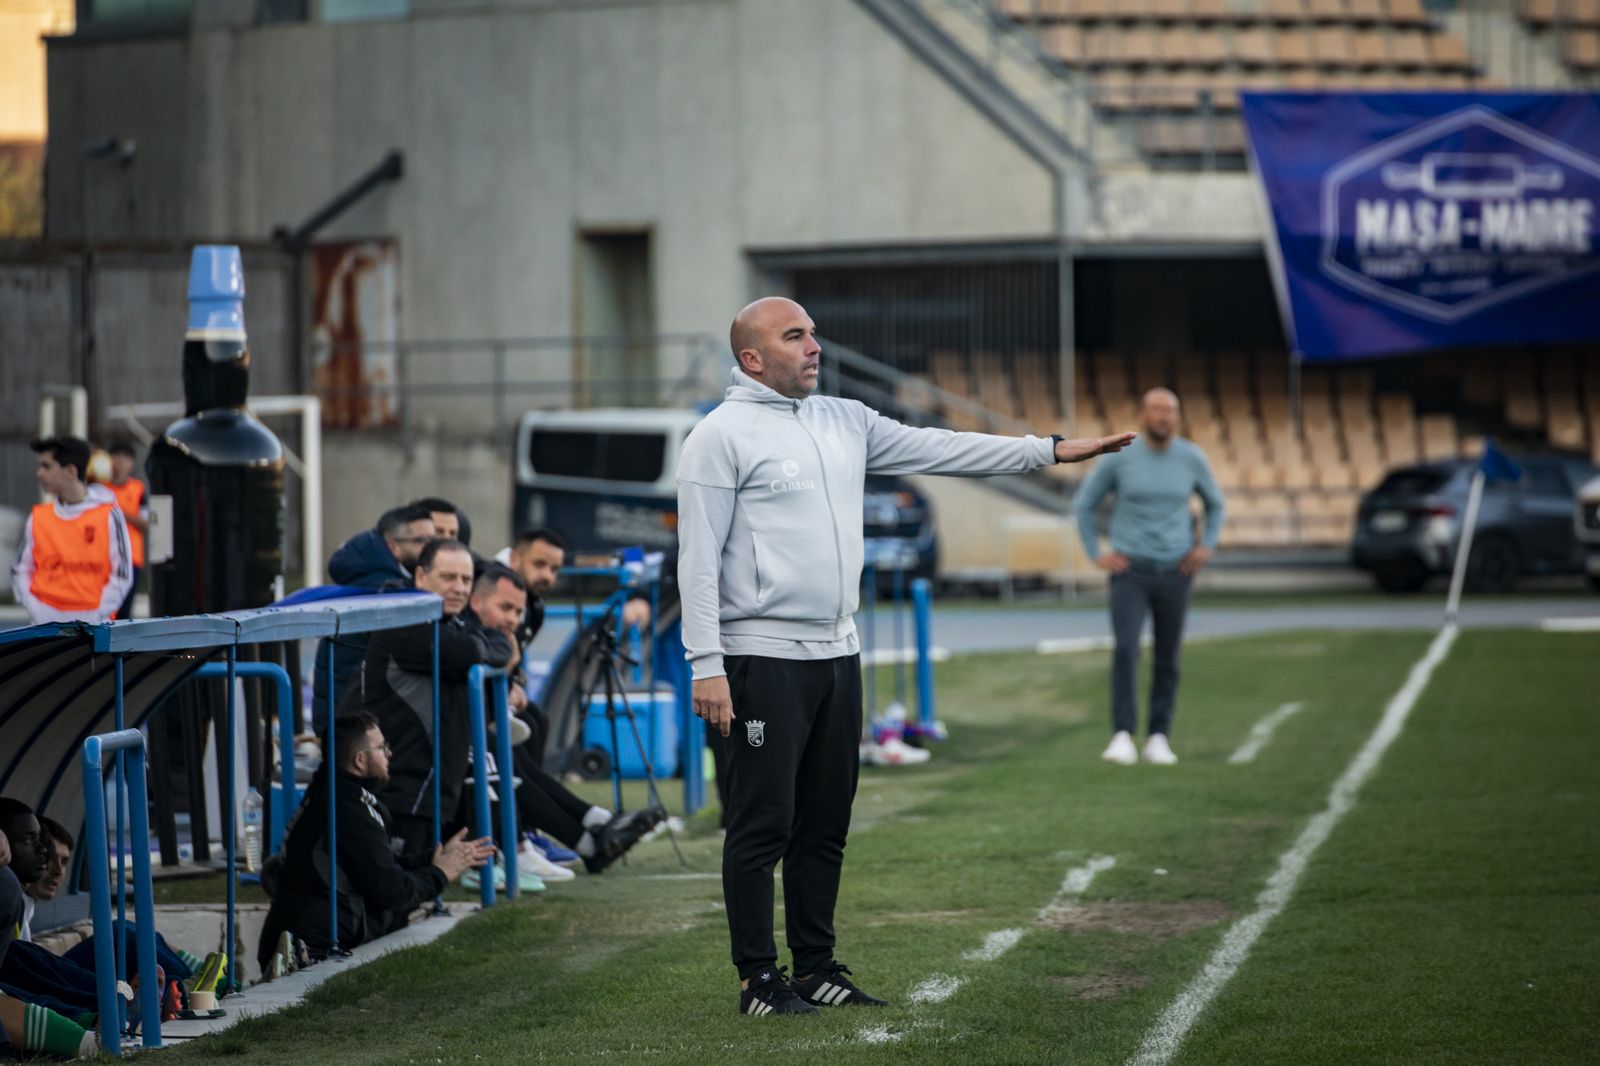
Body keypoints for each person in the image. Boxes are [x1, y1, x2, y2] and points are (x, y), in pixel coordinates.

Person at [677, 296, 1135, 1017]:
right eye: (794, 336)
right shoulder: (718, 436)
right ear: (752, 359)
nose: (814, 345)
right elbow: (697, 561)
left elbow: (942, 447)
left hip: (838, 651)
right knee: (762, 824)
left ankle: (816, 966)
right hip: (757, 657)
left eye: (814, 332)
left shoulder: (844, 420)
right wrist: (706, 662)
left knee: (826, 822)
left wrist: (1044, 449)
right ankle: (757, 980)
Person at [463, 564, 664, 880]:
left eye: (555, 568)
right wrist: (508, 664)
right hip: (440, 742)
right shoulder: (462, 619)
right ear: (475, 600)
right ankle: (556, 838)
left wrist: (510, 674)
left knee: (528, 729)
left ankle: (588, 831)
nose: (512, 619)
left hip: (466, 730)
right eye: (540, 564)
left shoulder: (526, 610)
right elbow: (488, 660)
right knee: (496, 749)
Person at [257, 712, 494, 971]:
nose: (389, 754)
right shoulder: (348, 808)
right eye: (382, 747)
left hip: (298, 932)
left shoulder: (331, 794)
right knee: (394, 911)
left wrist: (432, 859)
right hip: (313, 947)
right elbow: (392, 891)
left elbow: (381, 864)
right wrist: (441, 873)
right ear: (360, 760)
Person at [1072, 387, 1225, 767]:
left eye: (1170, 410)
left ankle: (1158, 736)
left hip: (1175, 570)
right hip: (1130, 572)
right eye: (1157, 410)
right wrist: (1096, 553)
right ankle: (1122, 735)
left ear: (1177, 416)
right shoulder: (1120, 459)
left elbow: (1215, 503)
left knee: (1168, 656)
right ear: (1142, 414)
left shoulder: (1191, 457)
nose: (1163, 417)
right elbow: (1084, 504)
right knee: (1126, 649)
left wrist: (1205, 545)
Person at [360, 537, 515, 853]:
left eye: (466, 579)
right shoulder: (405, 622)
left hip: (429, 785)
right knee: (396, 892)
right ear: (420, 577)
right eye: (449, 577)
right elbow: (472, 649)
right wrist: (483, 646)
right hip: (400, 787)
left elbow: (498, 645)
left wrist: (484, 645)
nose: (459, 587)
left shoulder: (445, 622)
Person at [312, 503, 438, 711]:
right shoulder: (387, 592)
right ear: (394, 546)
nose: (432, 549)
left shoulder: (376, 579)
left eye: (434, 541)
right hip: (352, 722)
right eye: (422, 541)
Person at [11, 437, 133, 624]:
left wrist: (96, 614)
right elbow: (21, 569)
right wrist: (37, 609)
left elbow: (122, 575)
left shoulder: (109, 515)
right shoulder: (38, 517)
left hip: (93, 632)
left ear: (70, 471)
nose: (39, 473)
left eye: (47, 466)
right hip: (44, 630)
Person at [100, 441, 149, 622]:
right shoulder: (100, 489)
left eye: (125, 457)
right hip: (105, 560)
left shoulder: (137, 489)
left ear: (132, 463)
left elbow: (145, 523)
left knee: (125, 613)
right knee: (105, 612)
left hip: (132, 559)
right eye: (116, 456)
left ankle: (120, 650)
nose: (120, 462)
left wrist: (119, 512)